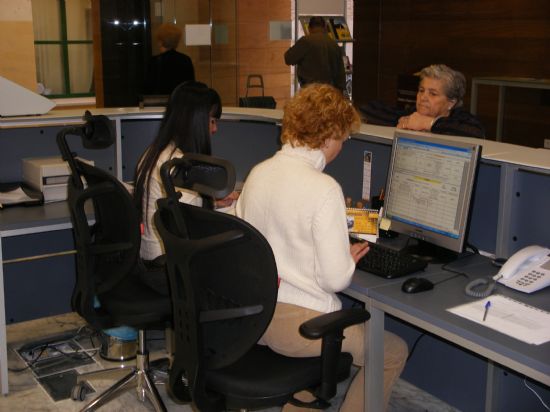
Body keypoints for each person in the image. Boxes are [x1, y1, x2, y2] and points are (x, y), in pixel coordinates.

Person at [235, 83, 408, 411]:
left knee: (309, 366)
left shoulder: (259, 173)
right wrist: (347, 259)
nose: (342, 146)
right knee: (392, 351)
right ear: (329, 136)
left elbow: (255, 244)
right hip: (301, 328)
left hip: (254, 318)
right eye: (344, 138)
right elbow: (334, 281)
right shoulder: (324, 188)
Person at [134, 81, 238, 292]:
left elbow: (178, 212)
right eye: (212, 121)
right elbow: (194, 230)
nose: (215, 129)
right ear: (196, 122)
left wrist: (211, 203)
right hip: (167, 268)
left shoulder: (156, 152)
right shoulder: (180, 167)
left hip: (150, 258)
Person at [360, 64, 485, 138]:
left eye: (433, 93)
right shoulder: (411, 114)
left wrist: (429, 124)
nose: (423, 97)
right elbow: (367, 109)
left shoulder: (462, 119)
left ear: (451, 103)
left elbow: (476, 132)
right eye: (421, 90)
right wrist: (404, 122)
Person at [284, 16, 346, 92]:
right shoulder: (334, 44)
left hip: (310, 91)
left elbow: (288, 59)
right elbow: (341, 74)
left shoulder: (305, 41)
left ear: (309, 28)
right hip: (329, 92)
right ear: (325, 27)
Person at [143, 23, 195, 95]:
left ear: (160, 42)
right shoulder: (185, 59)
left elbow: (148, 88)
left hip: (159, 103)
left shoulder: (154, 61)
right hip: (180, 103)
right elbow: (191, 87)